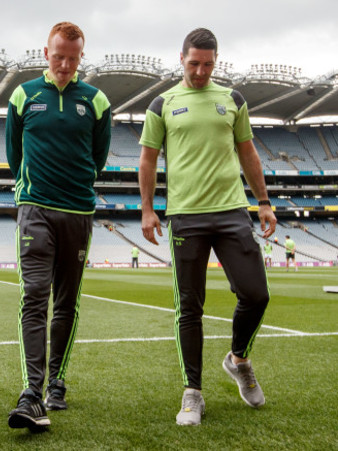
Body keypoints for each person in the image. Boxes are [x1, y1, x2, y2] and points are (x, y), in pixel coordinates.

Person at [139, 28, 277, 426]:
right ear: (180, 58)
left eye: (208, 65)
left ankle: (238, 359)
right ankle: (192, 393)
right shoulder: (162, 104)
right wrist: (148, 210)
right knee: (189, 308)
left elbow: (247, 152)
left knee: (256, 294)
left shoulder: (231, 99)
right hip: (186, 215)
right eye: (194, 63)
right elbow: (148, 161)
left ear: (216, 63)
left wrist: (264, 202)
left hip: (232, 210)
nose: (200, 72)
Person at [5, 21, 111, 431]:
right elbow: (15, 154)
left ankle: (57, 382)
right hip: (35, 208)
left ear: (81, 56)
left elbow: (98, 157)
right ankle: (32, 390)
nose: (65, 65)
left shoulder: (96, 100)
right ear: (44, 52)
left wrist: (75, 184)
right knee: (35, 295)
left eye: (73, 57)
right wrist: (29, 188)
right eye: (58, 56)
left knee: (66, 301)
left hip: (78, 212)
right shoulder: (24, 95)